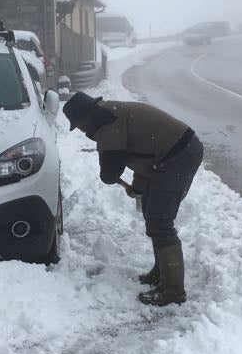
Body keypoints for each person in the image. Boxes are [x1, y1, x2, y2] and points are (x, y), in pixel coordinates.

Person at [63, 92, 203, 306]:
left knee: (160, 220)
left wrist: (109, 175)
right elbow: (142, 152)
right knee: (151, 211)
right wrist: (138, 187)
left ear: (85, 117)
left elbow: (110, 170)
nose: (81, 131)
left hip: (179, 155)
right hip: (168, 155)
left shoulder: (106, 122)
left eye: (79, 125)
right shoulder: (110, 113)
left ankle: (173, 289)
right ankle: (161, 273)